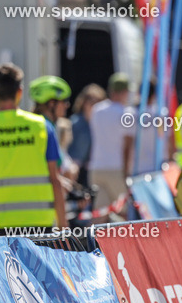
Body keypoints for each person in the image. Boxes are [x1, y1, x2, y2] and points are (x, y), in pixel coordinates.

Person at [0, 63, 67, 233]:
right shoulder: (42, 128)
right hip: (37, 226)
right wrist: (63, 228)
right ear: (20, 92)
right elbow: (55, 181)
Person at [87, 72, 136, 212]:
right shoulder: (128, 113)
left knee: (100, 214)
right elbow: (127, 147)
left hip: (96, 167)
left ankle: (91, 235)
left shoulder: (97, 110)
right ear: (124, 92)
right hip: (116, 169)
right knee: (125, 212)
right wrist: (127, 173)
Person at [30, 76, 79, 181]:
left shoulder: (36, 124)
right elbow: (56, 172)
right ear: (52, 103)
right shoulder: (46, 127)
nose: (67, 105)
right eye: (64, 101)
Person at [68, 84, 105, 187]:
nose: (93, 105)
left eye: (97, 102)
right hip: (76, 169)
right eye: (90, 101)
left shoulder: (102, 124)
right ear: (83, 102)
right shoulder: (74, 123)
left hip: (94, 168)